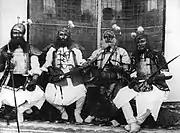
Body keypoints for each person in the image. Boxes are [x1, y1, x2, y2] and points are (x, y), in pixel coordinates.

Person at [112, 26, 172, 133]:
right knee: (122, 94)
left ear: (147, 42)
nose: (140, 44)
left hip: (156, 85)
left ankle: (137, 122)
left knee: (152, 100)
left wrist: (152, 80)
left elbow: (167, 74)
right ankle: (131, 122)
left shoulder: (157, 56)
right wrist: (133, 81)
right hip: (139, 84)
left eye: (142, 41)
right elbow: (132, 74)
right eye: (138, 42)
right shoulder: (135, 57)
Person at [84, 28, 131, 127]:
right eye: (106, 37)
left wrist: (115, 68)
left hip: (116, 79)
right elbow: (88, 62)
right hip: (100, 79)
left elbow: (126, 69)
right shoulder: (98, 52)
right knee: (92, 91)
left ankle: (112, 118)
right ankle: (93, 115)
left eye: (111, 37)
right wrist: (89, 65)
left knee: (115, 97)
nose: (108, 39)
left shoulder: (121, 52)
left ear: (115, 39)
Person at [41, 25, 87, 123]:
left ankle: (77, 112)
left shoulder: (75, 49)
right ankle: (62, 111)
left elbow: (80, 62)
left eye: (65, 35)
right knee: (48, 95)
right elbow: (47, 63)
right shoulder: (52, 49)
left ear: (68, 36)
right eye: (61, 35)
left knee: (82, 92)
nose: (63, 37)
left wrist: (83, 64)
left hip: (72, 77)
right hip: (58, 77)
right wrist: (48, 71)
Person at [0, 21, 45, 123]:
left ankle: (21, 109)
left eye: (20, 33)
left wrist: (34, 79)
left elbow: (35, 65)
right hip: (8, 79)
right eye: (15, 33)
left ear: (23, 34)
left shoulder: (29, 49)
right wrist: (5, 64)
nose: (17, 36)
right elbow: (0, 68)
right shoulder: (4, 49)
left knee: (40, 95)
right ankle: (8, 110)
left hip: (25, 80)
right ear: (11, 34)